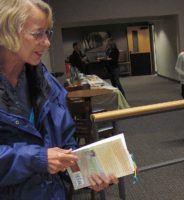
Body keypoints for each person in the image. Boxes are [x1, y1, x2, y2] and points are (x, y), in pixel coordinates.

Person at [0, 0, 117, 199]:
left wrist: (88, 172)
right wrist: (37, 159)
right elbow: (44, 158)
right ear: (7, 32)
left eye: (48, 33)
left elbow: (64, 145)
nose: (47, 43)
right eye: (38, 34)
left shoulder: (48, 84)